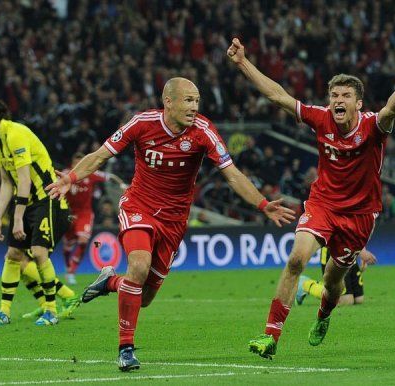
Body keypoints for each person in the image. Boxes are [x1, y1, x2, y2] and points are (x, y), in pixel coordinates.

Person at [46, 77, 296, 371]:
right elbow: (100, 155)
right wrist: (71, 178)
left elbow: (233, 174)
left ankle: (110, 281)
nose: (194, 107)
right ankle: (126, 349)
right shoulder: (142, 123)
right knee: (138, 266)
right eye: (188, 100)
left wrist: (263, 205)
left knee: (145, 297)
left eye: (197, 101)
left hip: (175, 221)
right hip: (138, 207)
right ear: (169, 102)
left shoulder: (203, 131)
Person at [227, 37, 395, 358]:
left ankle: (324, 315)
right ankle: (271, 336)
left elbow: (392, 108)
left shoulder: (373, 126)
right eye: (334, 95)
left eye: (345, 95)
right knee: (296, 259)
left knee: (333, 284)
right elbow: (278, 96)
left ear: (358, 103)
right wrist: (243, 63)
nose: (337, 100)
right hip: (323, 205)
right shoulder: (321, 117)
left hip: (359, 216)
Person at [0, 94, 72, 326]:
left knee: (38, 253)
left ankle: (51, 310)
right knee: (14, 255)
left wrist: (17, 219)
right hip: (26, 201)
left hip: (44, 197)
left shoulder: (16, 134)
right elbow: (7, 182)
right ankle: (4, 312)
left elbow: (25, 180)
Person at [62, 152, 126, 285]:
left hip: (85, 214)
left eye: (80, 163)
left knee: (83, 240)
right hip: (68, 214)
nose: (77, 166)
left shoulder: (91, 174)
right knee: (67, 246)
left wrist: (122, 185)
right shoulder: (65, 174)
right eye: (75, 163)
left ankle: (71, 272)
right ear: (72, 164)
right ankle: (68, 267)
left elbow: (110, 177)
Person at [296, 247, 377, 306]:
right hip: (333, 250)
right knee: (346, 301)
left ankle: (329, 288)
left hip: (350, 251)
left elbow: (358, 230)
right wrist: (362, 253)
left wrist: (362, 251)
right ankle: (305, 285)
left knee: (359, 299)